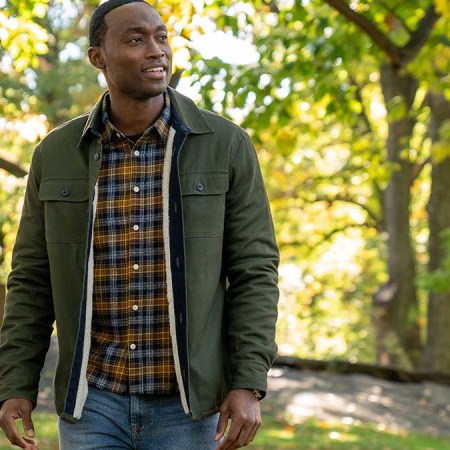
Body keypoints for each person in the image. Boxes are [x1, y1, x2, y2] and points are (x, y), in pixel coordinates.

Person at [0, 0, 279, 449]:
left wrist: (248, 380)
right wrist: (15, 383)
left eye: (161, 37)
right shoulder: (54, 154)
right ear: (99, 58)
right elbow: (32, 281)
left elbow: (254, 271)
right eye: (135, 40)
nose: (157, 51)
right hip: (93, 403)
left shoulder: (225, 145)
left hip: (186, 407)